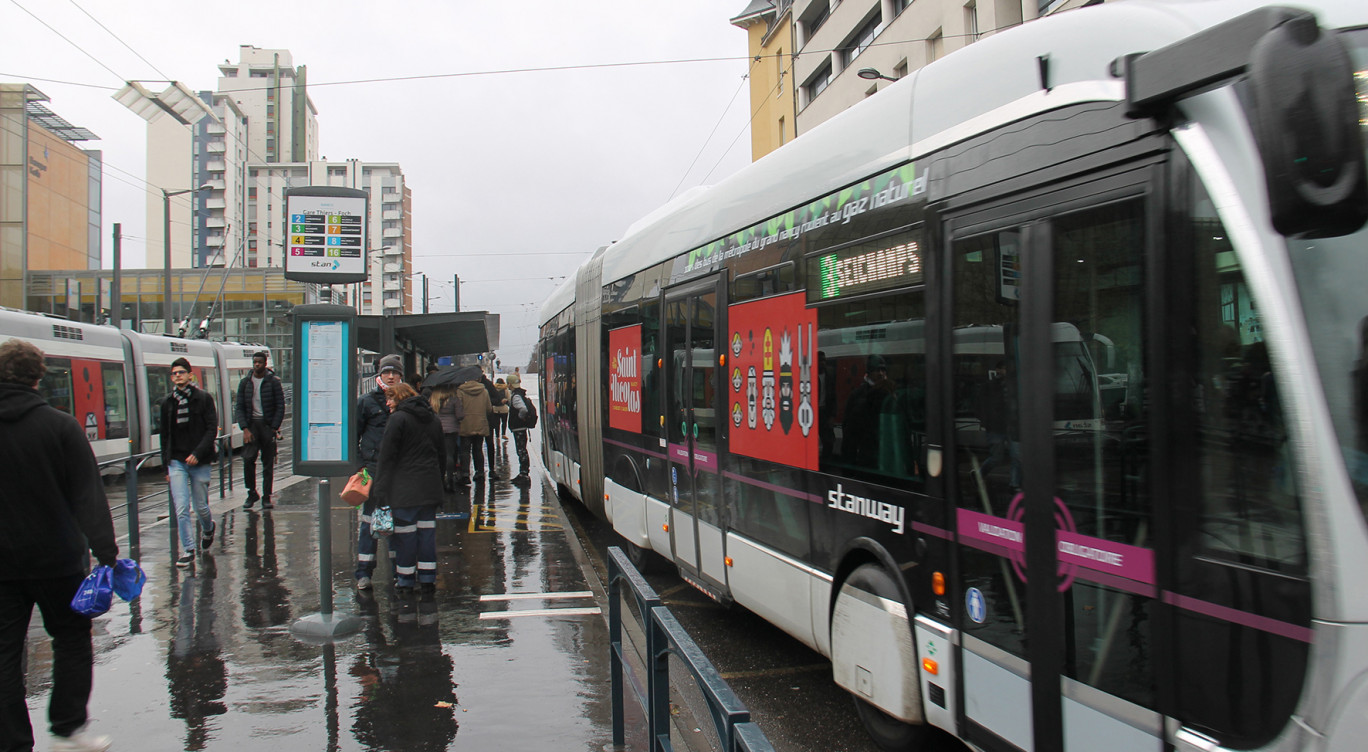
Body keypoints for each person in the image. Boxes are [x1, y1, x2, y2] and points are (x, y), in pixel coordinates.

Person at [0, 339, 118, 752]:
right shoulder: (60, 426)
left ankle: (12, 740)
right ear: (38, 377)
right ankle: (67, 728)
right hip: (58, 559)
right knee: (70, 639)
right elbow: (88, 497)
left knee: (4, 653)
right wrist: (108, 553)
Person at [371, 383, 445, 595]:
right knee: (427, 535)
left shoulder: (398, 420)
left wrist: (380, 490)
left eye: (391, 398)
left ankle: (405, 579)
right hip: (429, 488)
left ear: (401, 398)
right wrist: (438, 482)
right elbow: (441, 455)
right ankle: (428, 578)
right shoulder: (433, 419)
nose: (387, 403)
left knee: (406, 536)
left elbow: (387, 457)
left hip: (404, 490)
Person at [161, 357, 219, 568]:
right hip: (176, 462)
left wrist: (197, 453)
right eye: (174, 373)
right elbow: (165, 436)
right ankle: (188, 550)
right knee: (182, 507)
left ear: (189, 375)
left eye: (181, 372)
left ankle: (208, 527)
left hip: (200, 461)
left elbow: (211, 429)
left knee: (201, 506)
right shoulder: (168, 403)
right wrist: (165, 464)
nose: (177, 376)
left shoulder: (203, 399)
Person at [354, 354, 402, 591]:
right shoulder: (366, 401)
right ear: (379, 375)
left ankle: (397, 571)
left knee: (396, 521)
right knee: (368, 520)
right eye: (386, 372)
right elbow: (354, 434)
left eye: (394, 372)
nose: (390, 376)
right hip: (372, 469)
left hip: (397, 470)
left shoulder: (406, 401)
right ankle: (364, 572)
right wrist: (359, 465)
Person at [235, 351, 284, 510]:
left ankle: (266, 496)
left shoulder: (273, 382)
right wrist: (245, 428)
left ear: (265, 363)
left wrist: (274, 427)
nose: (257, 365)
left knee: (267, 463)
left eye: (260, 362)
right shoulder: (245, 383)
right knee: (248, 460)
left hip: (267, 426)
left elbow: (280, 406)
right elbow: (240, 407)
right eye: (255, 362)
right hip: (251, 426)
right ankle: (251, 493)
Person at [456, 377, 493, 484]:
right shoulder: (484, 391)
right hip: (480, 424)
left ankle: (465, 474)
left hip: (465, 424)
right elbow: (489, 408)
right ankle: (480, 472)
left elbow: (458, 408)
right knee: (478, 449)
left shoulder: (460, 391)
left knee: (465, 450)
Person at [429, 385, 462, 491]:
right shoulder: (454, 399)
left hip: (437, 428)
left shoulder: (433, 398)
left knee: (438, 455)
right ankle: (450, 479)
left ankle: (440, 480)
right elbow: (460, 415)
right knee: (449, 454)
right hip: (451, 430)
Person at [507, 373, 533, 486]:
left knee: (521, 450)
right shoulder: (519, 394)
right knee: (522, 449)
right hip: (520, 427)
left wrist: (520, 418)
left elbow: (523, 409)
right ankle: (523, 473)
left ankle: (524, 474)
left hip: (519, 427)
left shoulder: (516, 396)